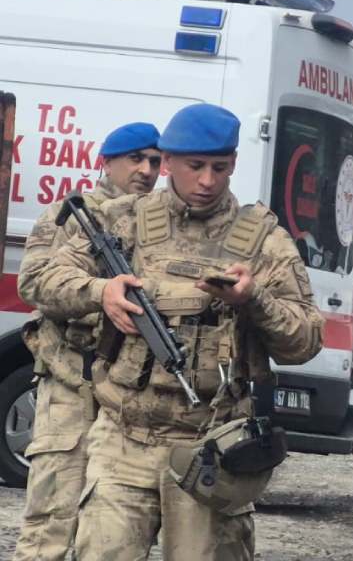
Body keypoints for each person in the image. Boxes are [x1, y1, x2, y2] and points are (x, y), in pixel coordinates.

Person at [22, 104, 322, 559]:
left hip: (210, 445)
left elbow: (305, 341)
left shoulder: (263, 239)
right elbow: (41, 281)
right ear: (169, 164)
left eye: (219, 168)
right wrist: (100, 290)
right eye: (195, 166)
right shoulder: (122, 220)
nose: (207, 181)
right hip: (123, 436)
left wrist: (253, 299)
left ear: (233, 165)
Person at [13, 122, 161, 561]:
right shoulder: (71, 214)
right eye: (135, 158)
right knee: (51, 525)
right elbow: (34, 283)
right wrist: (99, 291)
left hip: (131, 389)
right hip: (72, 383)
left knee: (113, 529)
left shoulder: (158, 222)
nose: (146, 169)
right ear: (107, 161)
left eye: (155, 161)